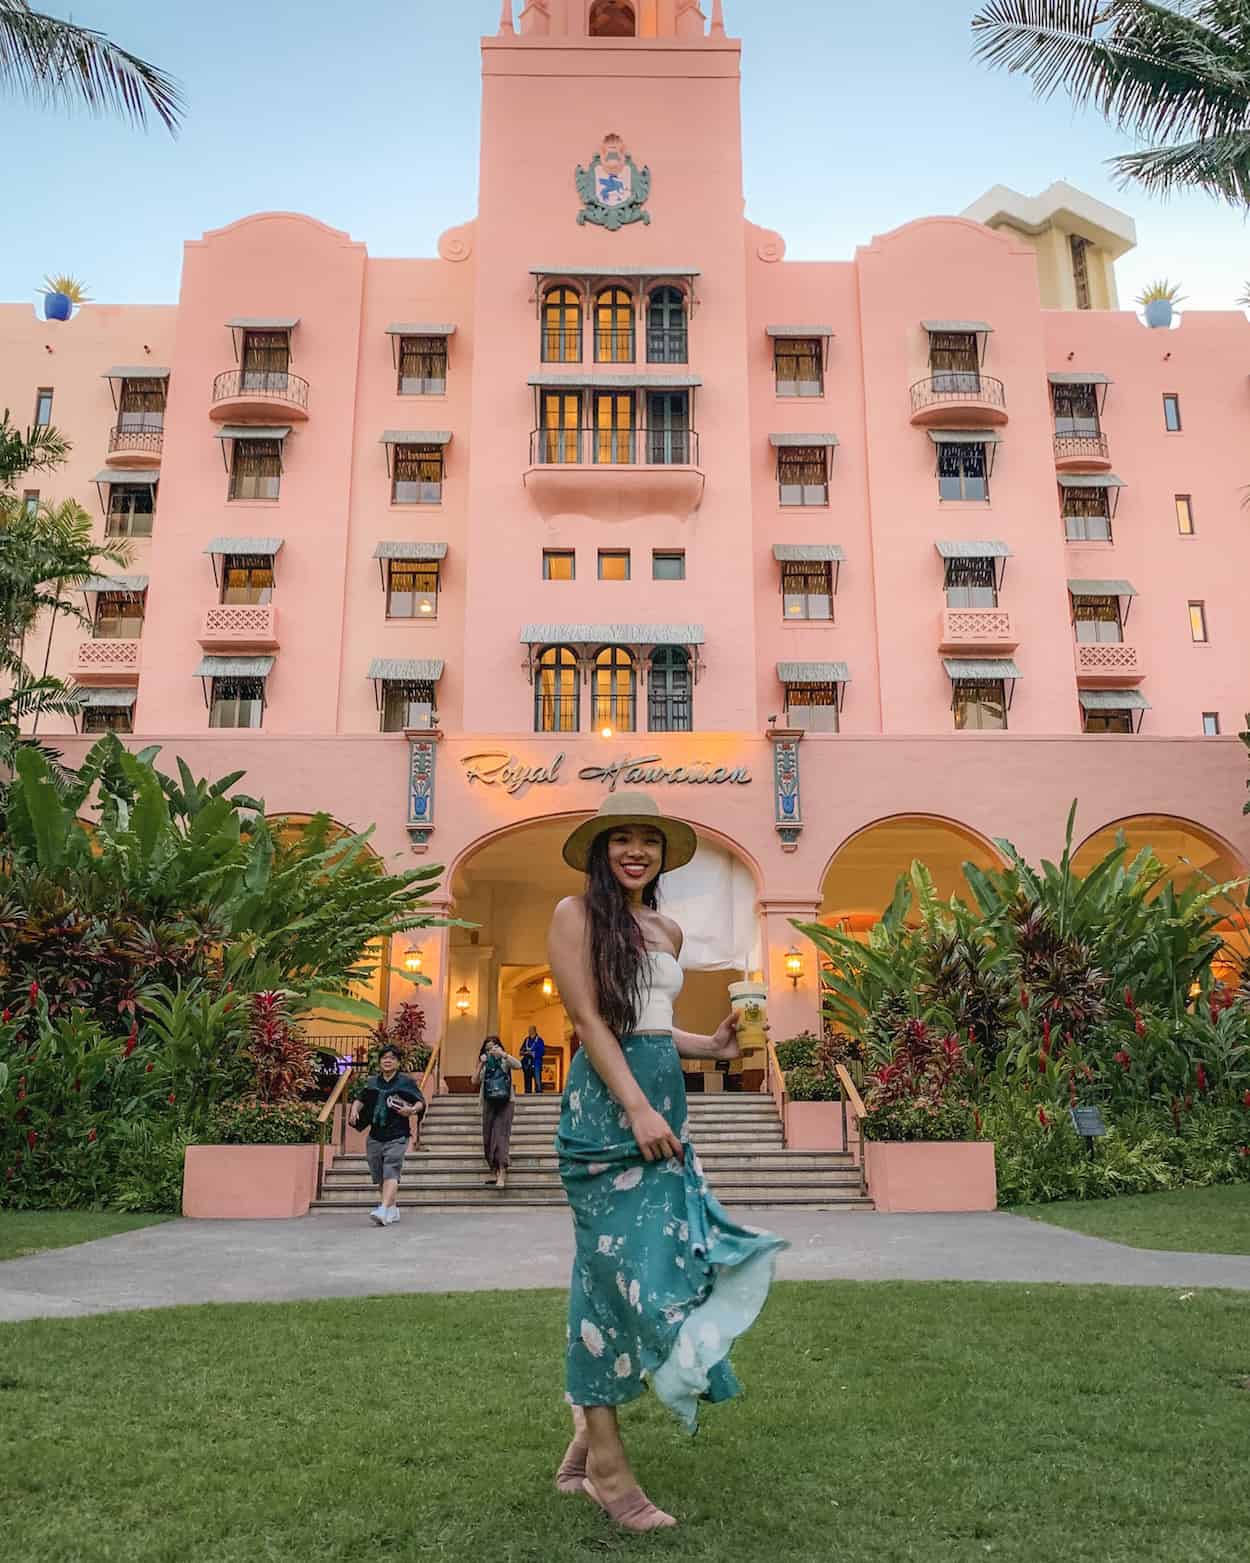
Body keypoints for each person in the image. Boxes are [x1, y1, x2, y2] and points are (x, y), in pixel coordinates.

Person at [548, 792, 785, 1533]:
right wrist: (638, 1108)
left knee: (661, 1267)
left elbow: (646, 1019)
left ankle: (586, 1441)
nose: (635, 850)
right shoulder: (574, 916)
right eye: (621, 838)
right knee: (613, 1272)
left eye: (648, 840)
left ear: (661, 855)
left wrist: (709, 1048)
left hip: (661, 1106)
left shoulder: (667, 928)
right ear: (601, 850)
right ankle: (608, 1467)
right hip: (605, 1114)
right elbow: (590, 1019)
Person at [348, 1042, 426, 1227]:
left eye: (392, 1058)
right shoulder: (372, 1081)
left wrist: (411, 1110)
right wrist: (354, 1110)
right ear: (380, 1062)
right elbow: (361, 1098)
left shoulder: (405, 1082)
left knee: (392, 1167)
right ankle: (391, 1208)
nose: (388, 1061)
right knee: (379, 1172)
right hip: (375, 1134)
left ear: (398, 1063)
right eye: (384, 1058)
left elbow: (420, 1102)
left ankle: (383, 1208)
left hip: (398, 1133)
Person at [471, 1035, 521, 1190]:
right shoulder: (485, 1064)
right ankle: (494, 1168)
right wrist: (481, 1063)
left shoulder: (504, 1060)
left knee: (501, 1136)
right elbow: (474, 1081)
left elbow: (518, 1065)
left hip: (506, 1102)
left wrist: (504, 1055)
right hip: (489, 1102)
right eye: (488, 1048)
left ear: (499, 1047)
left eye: (493, 1047)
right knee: (487, 1138)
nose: (491, 1050)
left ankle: (502, 1172)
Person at [519, 1027, 539, 1094]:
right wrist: (525, 1053)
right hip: (527, 1064)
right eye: (529, 1030)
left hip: (536, 1064)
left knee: (537, 1082)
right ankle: (527, 1093)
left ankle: (538, 1097)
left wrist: (533, 1053)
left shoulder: (539, 1040)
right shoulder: (526, 1040)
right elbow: (521, 1051)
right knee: (527, 1082)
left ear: (534, 1031)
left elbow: (541, 1052)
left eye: (531, 1030)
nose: (530, 1032)